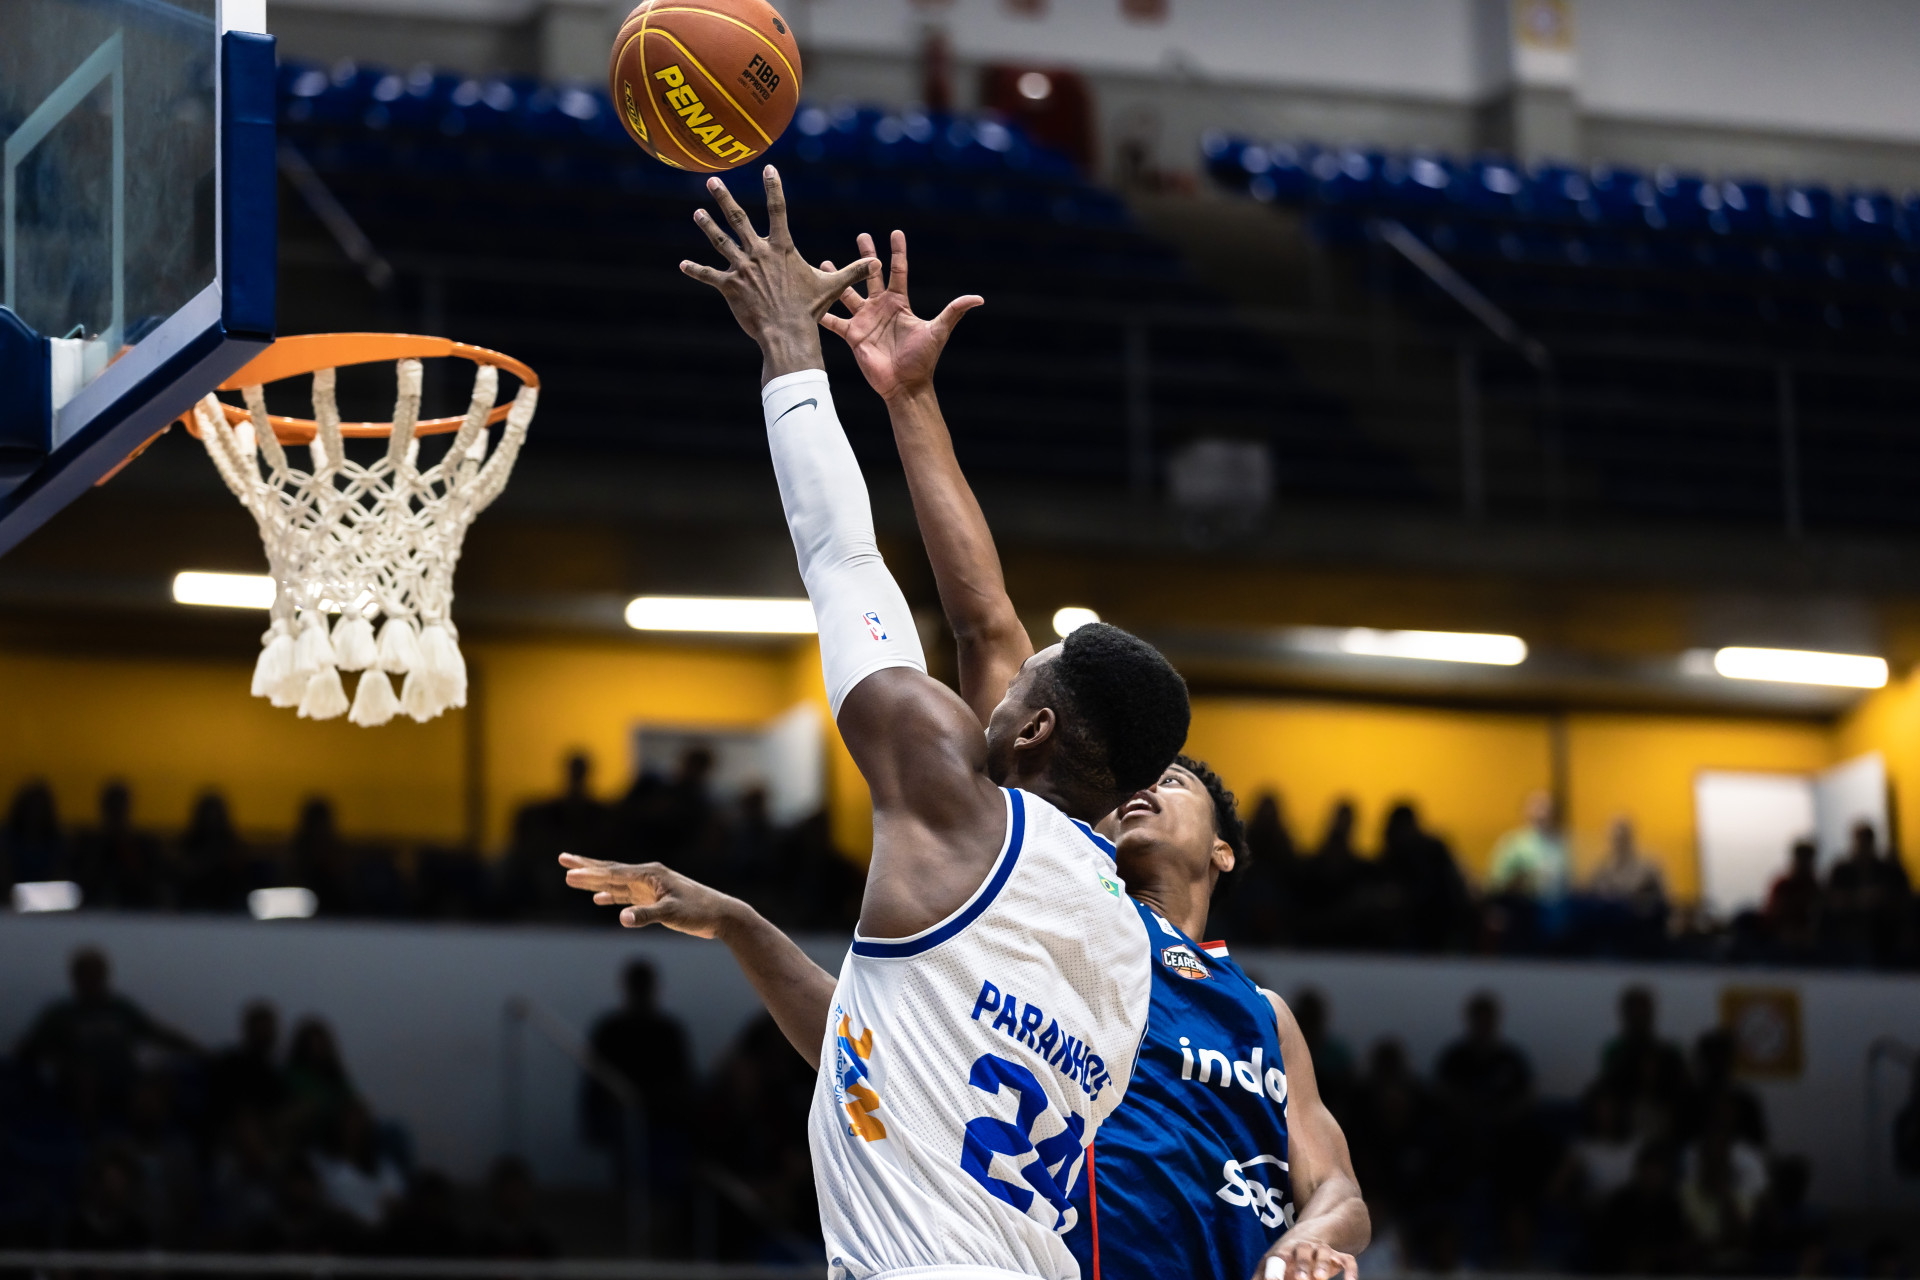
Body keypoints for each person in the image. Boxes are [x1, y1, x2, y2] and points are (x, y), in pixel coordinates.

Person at [567, 168, 1190, 1280]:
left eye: (1015, 689)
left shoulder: (953, 808)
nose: (985, 683)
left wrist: (791, 352)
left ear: (1036, 733)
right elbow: (880, 1070)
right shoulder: (1120, 937)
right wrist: (746, 927)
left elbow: (844, 559)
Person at [15, 947, 198, 1127]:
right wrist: (56, 1059)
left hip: (125, 1080)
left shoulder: (120, 1008)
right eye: (87, 974)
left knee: (162, 1079)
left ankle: (149, 1141)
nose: (93, 980)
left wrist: (196, 1050)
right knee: (86, 1080)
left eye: (97, 974)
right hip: (80, 1086)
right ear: (75, 978)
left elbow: (157, 1033)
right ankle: (89, 1137)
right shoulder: (60, 1014)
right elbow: (29, 1049)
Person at [1487, 790, 1568, 899]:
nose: (1543, 812)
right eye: (1537, 807)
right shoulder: (1512, 843)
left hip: (1558, 905)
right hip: (1523, 905)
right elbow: (1497, 884)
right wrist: (1527, 877)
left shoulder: (1563, 843)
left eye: (1548, 808)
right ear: (1524, 811)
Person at [1587, 817, 1666, 912]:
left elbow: (1664, 897)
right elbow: (1592, 897)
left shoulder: (1649, 865)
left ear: (1630, 837)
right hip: (1610, 921)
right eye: (1614, 839)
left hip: (1640, 921)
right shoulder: (1602, 869)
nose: (1618, 843)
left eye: (1622, 838)